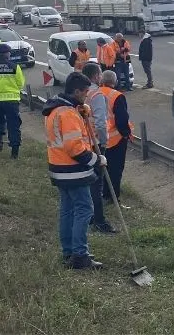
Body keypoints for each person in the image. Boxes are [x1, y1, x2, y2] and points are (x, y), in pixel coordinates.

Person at [43, 71, 107, 270]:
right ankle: (80, 255)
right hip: (73, 170)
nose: (87, 95)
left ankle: (69, 252)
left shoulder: (56, 109)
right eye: (85, 91)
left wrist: (81, 110)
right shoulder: (69, 114)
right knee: (84, 209)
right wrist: (97, 160)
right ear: (76, 91)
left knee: (67, 210)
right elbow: (74, 148)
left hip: (58, 167)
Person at [80, 63, 117, 234]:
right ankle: (99, 220)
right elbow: (101, 123)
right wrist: (103, 143)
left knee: (88, 181)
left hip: (82, 142)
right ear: (95, 76)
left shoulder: (82, 93)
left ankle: (90, 216)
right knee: (97, 183)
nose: (101, 76)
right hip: (95, 143)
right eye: (100, 73)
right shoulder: (97, 95)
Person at [99, 70, 132, 206]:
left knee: (103, 168)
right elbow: (122, 119)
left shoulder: (94, 93)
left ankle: (105, 193)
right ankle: (113, 197)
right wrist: (126, 134)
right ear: (115, 81)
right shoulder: (117, 96)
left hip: (98, 139)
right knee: (116, 169)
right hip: (115, 139)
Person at [0, 43, 24, 159]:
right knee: (13, 126)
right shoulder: (15, 67)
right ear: (7, 54)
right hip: (12, 101)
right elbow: (20, 84)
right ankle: (14, 152)